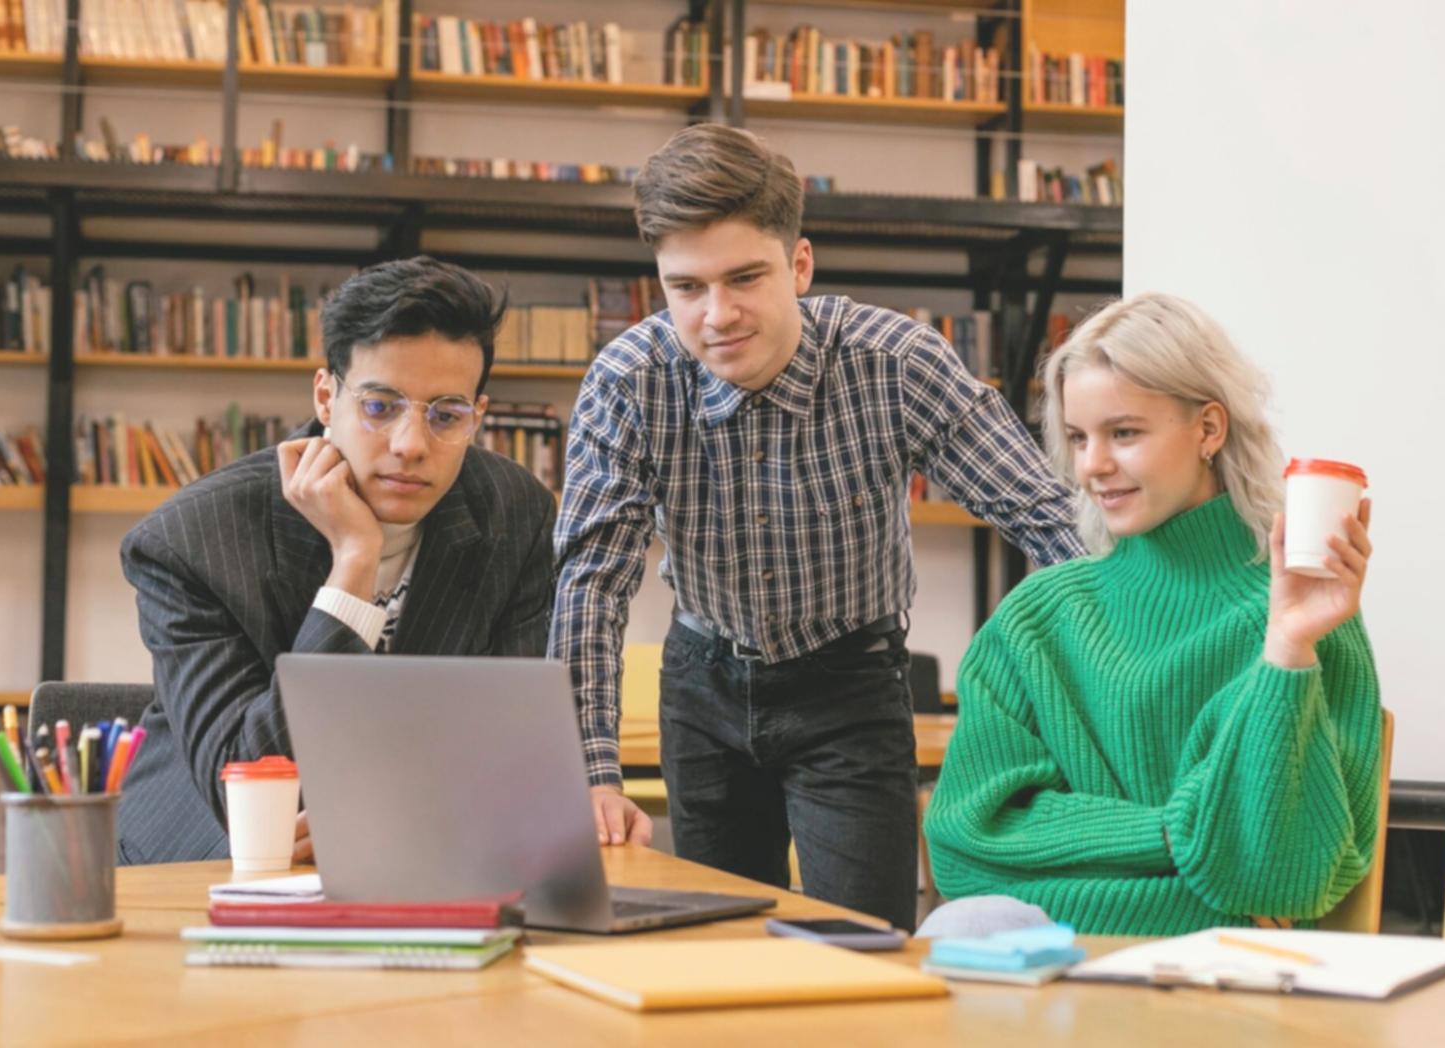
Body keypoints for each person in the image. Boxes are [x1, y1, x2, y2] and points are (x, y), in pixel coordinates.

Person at [550, 124, 1084, 931]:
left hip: (849, 682)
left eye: (745, 278)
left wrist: (1120, 684)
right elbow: (591, 582)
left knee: (856, 945)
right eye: (685, 287)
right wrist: (587, 770)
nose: (716, 315)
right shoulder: (628, 382)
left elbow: (1045, 517)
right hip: (702, 685)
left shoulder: (894, 362)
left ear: (798, 264)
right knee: (715, 945)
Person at [921, 292, 1382, 936]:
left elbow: (1286, 879)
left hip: (1220, 991)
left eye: (1125, 432)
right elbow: (966, 850)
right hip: (1056, 972)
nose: (1093, 466)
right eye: (1079, 438)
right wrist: (1185, 836)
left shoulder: (1301, 616)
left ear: (1209, 429)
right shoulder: (1035, 621)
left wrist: (1286, 650)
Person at [117, 256, 572, 865]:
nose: (411, 446)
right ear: (326, 397)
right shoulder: (192, 539)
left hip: (413, 850)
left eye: (446, 415)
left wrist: (381, 818)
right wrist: (355, 562)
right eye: (380, 406)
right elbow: (254, 789)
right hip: (204, 855)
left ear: (478, 416)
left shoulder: (515, 513)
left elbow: (514, 751)